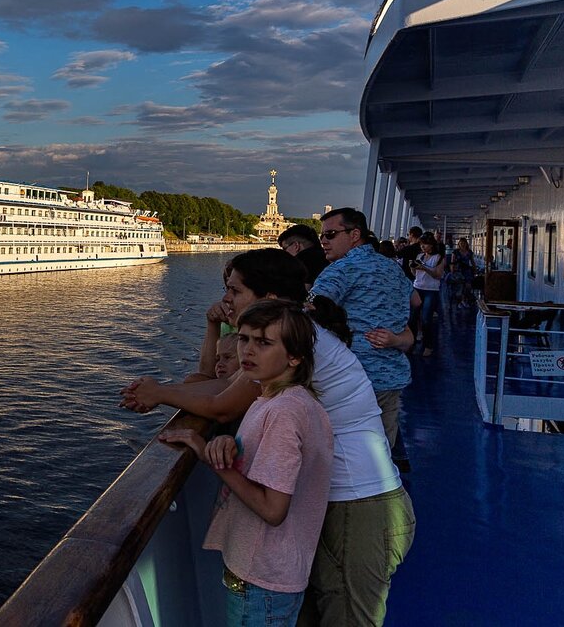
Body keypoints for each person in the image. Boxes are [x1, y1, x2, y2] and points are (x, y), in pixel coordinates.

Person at [128, 249, 414, 626]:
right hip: (344, 503)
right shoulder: (289, 343)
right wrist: (167, 388)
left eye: (235, 290)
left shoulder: (295, 345)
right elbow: (223, 387)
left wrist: (160, 394)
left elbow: (222, 406)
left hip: (360, 505)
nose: (226, 299)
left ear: (270, 301)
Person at [159, 299, 333, 627]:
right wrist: (226, 446)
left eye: (264, 343)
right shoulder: (276, 399)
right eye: (244, 338)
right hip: (267, 573)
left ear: (294, 357)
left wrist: (215, 460)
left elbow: (273, 509)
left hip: (262, 579)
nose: (248, 351)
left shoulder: (283, 412)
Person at [310, 208, 413, 450]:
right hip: (390, 378)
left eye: (331, 234)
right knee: (381, 455)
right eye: (321, 236)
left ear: (355, 234)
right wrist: (396, 336)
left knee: (345, 457)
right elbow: (415, 300)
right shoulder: (392, 268)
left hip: (351, 380)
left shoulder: (341, 270)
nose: (323, 241)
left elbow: (309, 310)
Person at [410, 233, 445, 357]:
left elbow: (438, 275)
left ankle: (428, 345)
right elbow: (415, 274)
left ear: (431, 245)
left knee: (426, 319)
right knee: (413, 318)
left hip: (431, 290)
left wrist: (424, 268)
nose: (422, 247)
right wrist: (413, 268)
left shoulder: (439, 258)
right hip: (417, 287)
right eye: (421, 244)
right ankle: (411, 343)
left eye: (425, 244)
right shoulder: (420, 256)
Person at [449, 238, 477, 308]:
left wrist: (475, 269)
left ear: (466, 244)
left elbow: (472, 262)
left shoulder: (469, 252)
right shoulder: (455, 252)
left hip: (467, 271)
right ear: (459, 244)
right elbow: (452, 262)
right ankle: (461, 301)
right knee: (460, 287)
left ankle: (465, 300)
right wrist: (452, 271)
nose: (462, 244)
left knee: (468, 286)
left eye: (464, 243)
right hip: (458, 271)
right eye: (461, 243)